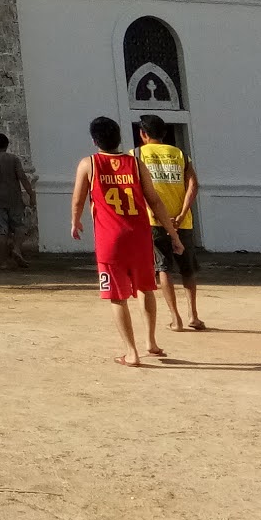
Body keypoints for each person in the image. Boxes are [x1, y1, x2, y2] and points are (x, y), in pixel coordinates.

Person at [70, 114, 184, 366]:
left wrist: (75, 221)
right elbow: (155, 201)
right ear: (119, 137)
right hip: (139, 237)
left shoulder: (89, 164)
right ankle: (151, 342)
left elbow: (78, 199)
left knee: (116, 296)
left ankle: (131, 352)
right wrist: (173, 234)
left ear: (94, 140)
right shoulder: (135, 164)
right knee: (146, 288)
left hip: (110, 240)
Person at [136, 114, 205, 331]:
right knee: (187, 269)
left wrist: (153, 211)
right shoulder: (180, 154)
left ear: (143, 134)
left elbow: (136, 187)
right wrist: (183, 213)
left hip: (154, 220)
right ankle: (193, 315)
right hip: (181, 221)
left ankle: (176, 318)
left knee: (163, 268)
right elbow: (193, 184)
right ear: (164, 133)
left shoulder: (136, 155)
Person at [0, 132, 35, 269]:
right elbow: (22, 177)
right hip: (13, 199)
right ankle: (16, 248)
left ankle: (3, 262)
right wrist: (31, 193)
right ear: (7, 144)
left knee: (1, 232)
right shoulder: (13, 159)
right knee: (20, 227)